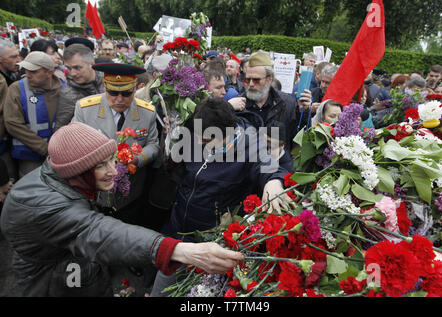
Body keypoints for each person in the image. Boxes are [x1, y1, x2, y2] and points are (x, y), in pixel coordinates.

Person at [0, 122, 244, 296]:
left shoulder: (61, 176)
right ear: (77, 171)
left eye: (112, 159)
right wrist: (176, 250)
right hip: (53, 283)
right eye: (100, 165)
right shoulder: (42, 205)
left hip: (74, 268)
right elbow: (98, 231)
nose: (114, 171)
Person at [150, 97, 291, 296]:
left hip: (211, 243)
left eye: (207, 140)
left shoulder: (251, 146)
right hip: (177, 233)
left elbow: (269, 167)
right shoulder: (198, 132)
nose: (200, 143)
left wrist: (274, 182)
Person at [72, 63, 159, 226]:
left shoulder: (147, 112)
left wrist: (137, 159)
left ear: (135, 89)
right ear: (105, 87)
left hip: (130, 195)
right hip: (94, 194)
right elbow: (73, 144)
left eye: (126, 93)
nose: (119, 99)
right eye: (113, 93)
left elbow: (153, 145)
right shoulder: (85, 109)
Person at [4, 51, 64, 178]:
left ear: (49, 73)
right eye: (26, 70)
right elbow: (12, 124)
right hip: (29, 158)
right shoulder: (16, 89)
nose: (28, 75)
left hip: (60, 157)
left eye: (33, 71)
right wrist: (44, 148)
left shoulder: (64, 89)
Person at [242, 52, 311, 153]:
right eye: (248, 80)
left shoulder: (288, 103)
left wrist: (303, 112)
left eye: (256, 80)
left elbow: (299, 138)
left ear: (269, 79)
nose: (251, 84)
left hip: (279, 165)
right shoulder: (239, 104)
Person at [54, 43, 104, 131]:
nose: (72, 73)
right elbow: (61, 130)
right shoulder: (68, 95)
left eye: (77, 68)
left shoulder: (107, 82)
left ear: (91, 64)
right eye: (68, 68)